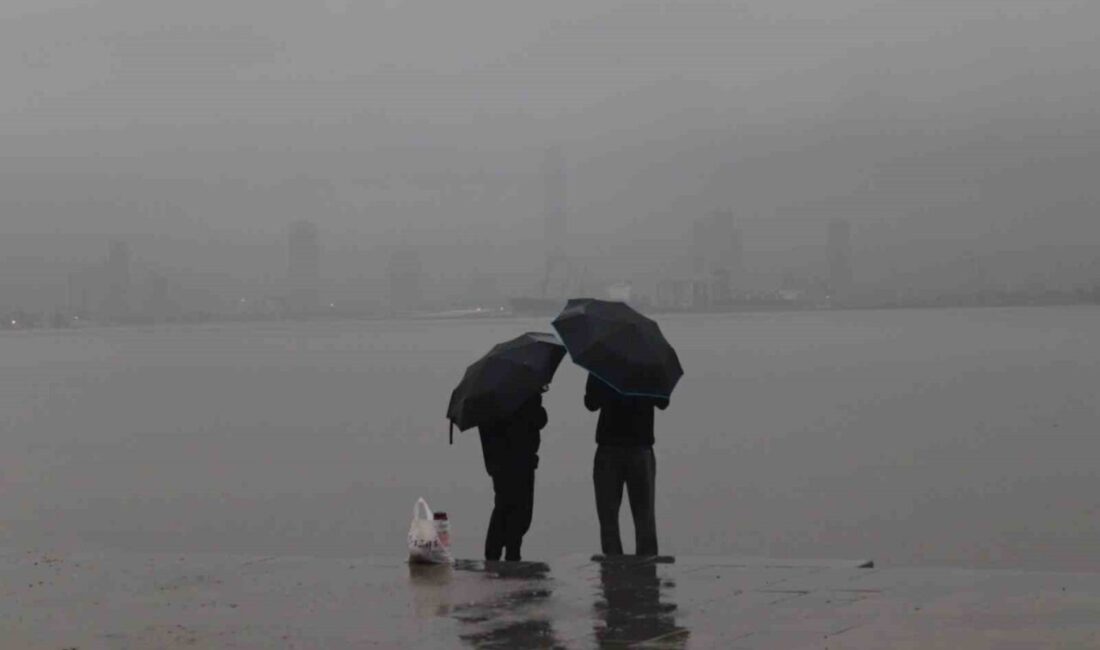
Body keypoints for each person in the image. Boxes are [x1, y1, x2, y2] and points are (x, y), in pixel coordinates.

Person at [584, 374, 668, 556]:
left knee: (610, 520)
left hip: (612, 447)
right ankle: (645, 567)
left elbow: (590, 402)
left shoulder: (603, 365)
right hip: (638, 447)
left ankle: (614, 567)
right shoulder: (649, 366)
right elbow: (663, 401)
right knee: (643, 520)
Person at [477, 387, 548, 561]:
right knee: (517, 510)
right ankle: (508, 552)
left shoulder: (487, 395)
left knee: (505, 506)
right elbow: (538, 419)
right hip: (518, 460)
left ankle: (498, 552)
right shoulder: (522, 393)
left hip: (500, 461)